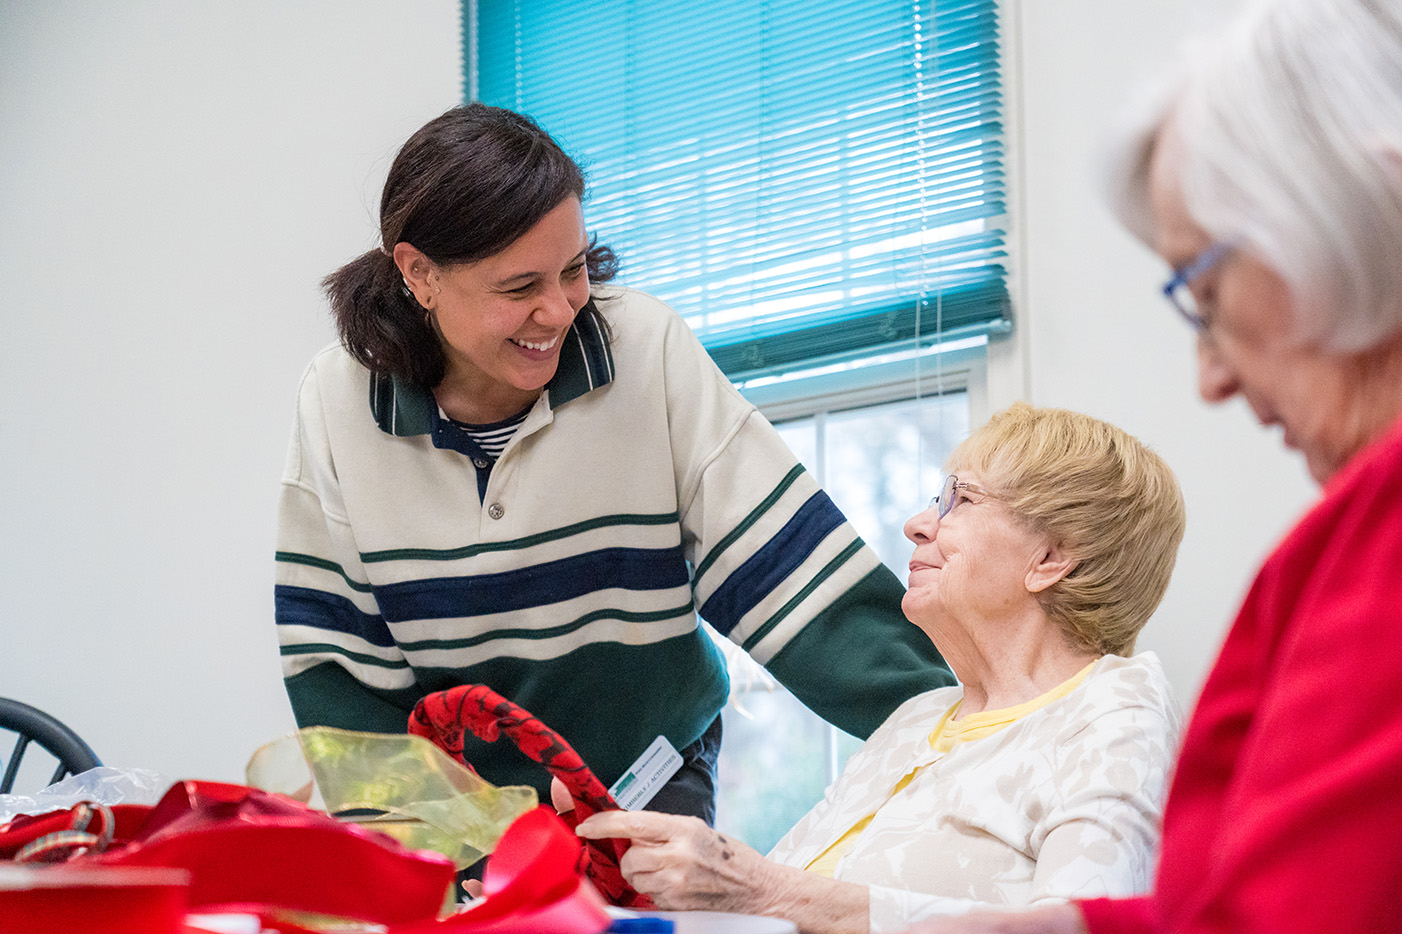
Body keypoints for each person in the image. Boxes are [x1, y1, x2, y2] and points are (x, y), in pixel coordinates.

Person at [273, 103, 953, 825]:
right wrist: (453, 849)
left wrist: (963, 727)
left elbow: (792, 577)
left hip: (647, 767)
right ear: (420, 274)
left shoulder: (644, 349)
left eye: (572, 271)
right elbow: (342, 677)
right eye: (519, 287)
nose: (560, 309)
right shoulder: (338, 404)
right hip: (462, 804)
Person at [904, 1, 1402, 933]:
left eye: (1208, 298)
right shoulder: (1339, 540)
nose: (1210, 377)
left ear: (1354, 220)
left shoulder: (1379, 533)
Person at [574, 402, 1186, 933]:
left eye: (960, 500)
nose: (917, 523)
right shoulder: (916, 720)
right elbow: (770, 900)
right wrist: (638, 866)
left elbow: (1075, 929)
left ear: (1050, 558)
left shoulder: (1113, 708)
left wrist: (762, 888)